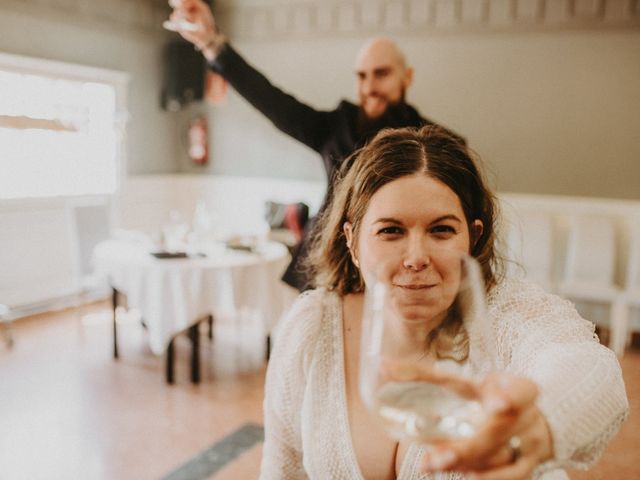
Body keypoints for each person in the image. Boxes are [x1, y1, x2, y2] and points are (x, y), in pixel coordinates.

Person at [259, 125, 628, 479]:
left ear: (473, 237)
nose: (416, 256)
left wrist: (539, 423)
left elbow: (589, 370)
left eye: (441, 230)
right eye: (391, 231)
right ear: (353, 243)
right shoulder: (311, 325)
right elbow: (282, 468)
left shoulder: (510, 316)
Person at [168, 0, 464, 291]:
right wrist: (212, 44)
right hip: (327, 266)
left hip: (400, 269)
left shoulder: (438, 145)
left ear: (406, 77)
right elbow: (271, 100)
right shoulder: (334, 128)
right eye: (361, 76)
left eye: (381, 74)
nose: (369, 86)